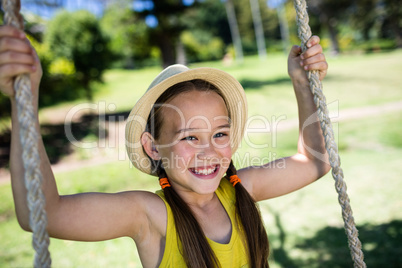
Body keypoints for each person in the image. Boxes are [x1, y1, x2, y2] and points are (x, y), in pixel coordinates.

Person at [0, 24, 329, 268]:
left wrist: (303, 85)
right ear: (153, 147)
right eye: (189, 137)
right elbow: (41, 213)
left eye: (219, 134)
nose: (208, 151)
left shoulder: (242, 189)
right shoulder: (150, 215)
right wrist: (25, 99)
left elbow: (315, 162)